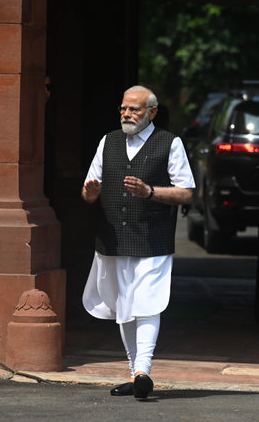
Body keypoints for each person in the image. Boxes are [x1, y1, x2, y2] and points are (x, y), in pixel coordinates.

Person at [81, 85, 195, 399]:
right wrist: (90, 194)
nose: (127, 114)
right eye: (123, 108)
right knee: (123, 307)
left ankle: (143, 369)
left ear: (152, 112)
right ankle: (136, 374)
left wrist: (150, 193)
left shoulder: (170, 144)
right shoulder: (109, 142)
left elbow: (186, 192)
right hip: (114, 238)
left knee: (147, 304)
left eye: (135, 109)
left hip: (152, 238)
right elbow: (90, 188)